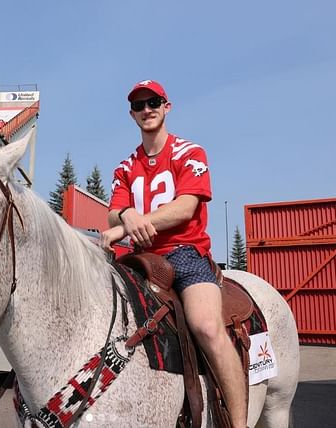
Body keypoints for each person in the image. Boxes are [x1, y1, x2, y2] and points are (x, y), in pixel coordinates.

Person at [100, 80, 247, 428]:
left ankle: (239, 423)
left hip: (185, 254)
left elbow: (185, 207)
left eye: (154, 102)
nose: (146, 109)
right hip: (140, 260)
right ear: (132, 114)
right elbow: (112, 211)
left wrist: (126, 224)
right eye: (139, 105)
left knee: (207, 326)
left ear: (167, 106)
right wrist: (126, 216)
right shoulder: (125, 166)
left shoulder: (190, 153)